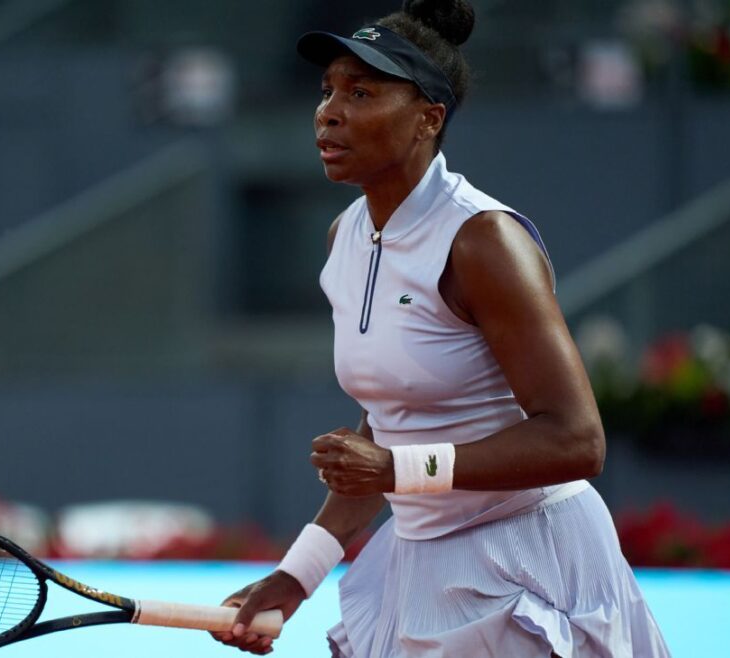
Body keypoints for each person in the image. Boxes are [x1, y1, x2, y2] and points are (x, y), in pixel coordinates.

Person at [210, 1, 673, 656]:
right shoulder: (345, 236)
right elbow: (390, 427)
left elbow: (577, 440)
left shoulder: (484, 242)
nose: (329, 111)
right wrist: (295, 577)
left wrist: (395, 468)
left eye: (361, 93)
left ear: (429, 119)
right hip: (421, 560)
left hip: (528, 558)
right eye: (328, 90)